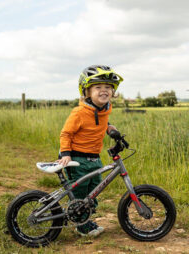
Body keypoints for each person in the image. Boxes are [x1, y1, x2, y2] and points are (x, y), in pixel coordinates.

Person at [58, 65, 123, 237]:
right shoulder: (79, 112)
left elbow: (100, 124)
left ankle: (84, 217)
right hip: (76, 158)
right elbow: (66, 133)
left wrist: (110, 129)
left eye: (108, 87)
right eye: (98, 87)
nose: (104, 91)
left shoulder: (105, 109)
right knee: (80, 193)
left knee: (95, 189)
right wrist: (66, 154)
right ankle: (81, 224)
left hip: (94, 158)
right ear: (87, 91)